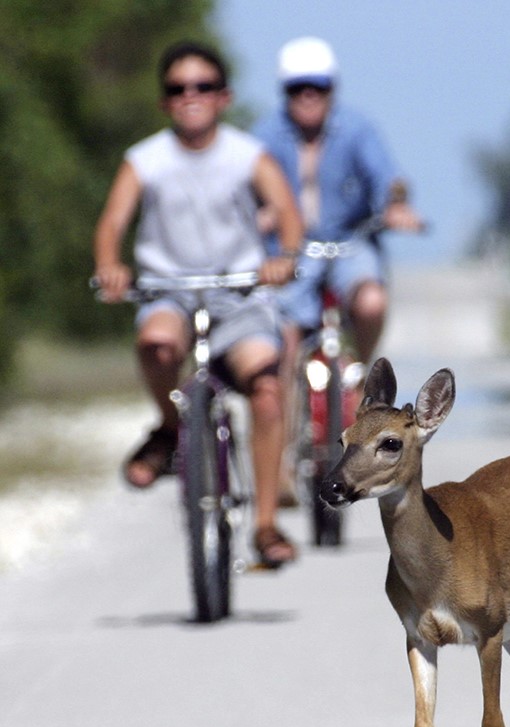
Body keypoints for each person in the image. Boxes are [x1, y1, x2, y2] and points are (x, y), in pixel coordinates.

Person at [93, 40, 303, 567]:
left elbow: (286, 209)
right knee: (157, 344)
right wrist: (111, 265)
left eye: (203, 87)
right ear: (164, 100)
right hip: (169, 289)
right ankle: (170, 428)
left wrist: (286, 256)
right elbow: (114, 221)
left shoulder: (246, 155)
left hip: (239, 294)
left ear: (223, 96)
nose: (191, 97)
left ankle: (265, 524)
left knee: (268, 389)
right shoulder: (144, 160)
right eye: (178, 89)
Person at [254, 37, 423, 501]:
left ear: (332, 89)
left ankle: (361, 380)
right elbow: (244, 188)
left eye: (318, 86)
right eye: (297, 88)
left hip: (350, 242)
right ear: (284, 92)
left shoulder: (357, 129)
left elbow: (389, 178)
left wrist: (397, 206)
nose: (308, 95)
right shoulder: (265, 136)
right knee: (281, 341)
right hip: (293, 254)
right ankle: (285, 458)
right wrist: (257, 215)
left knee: (371, 300)